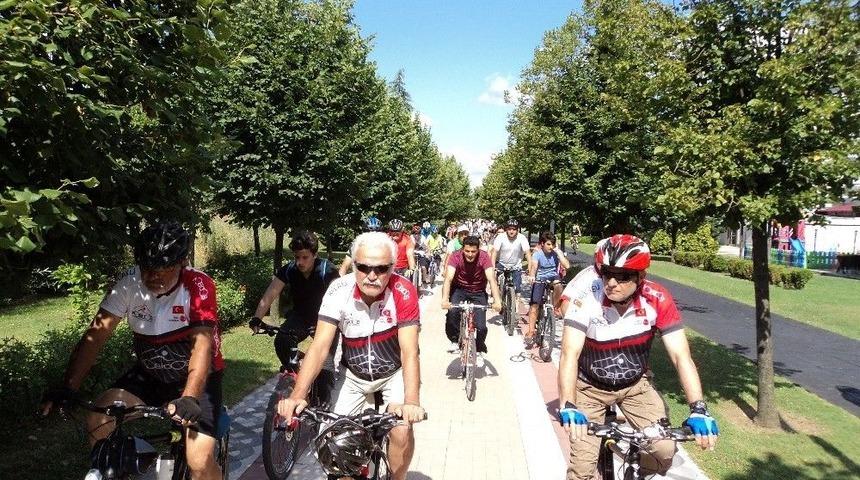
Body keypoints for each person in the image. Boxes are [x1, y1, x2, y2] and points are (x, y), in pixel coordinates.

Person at [41, 221, 225, 480]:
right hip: (149, 374)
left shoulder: (199, 285)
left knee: (199, 461)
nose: (153, 277)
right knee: (98, 417)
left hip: (197, 378)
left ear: (182, 263)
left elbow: (203, 345)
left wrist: (191, 396)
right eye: (147, 269)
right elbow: (96, 335)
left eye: (163, 269)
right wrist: (69, 386)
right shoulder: (128, 283)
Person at [557, 235, 719, 480]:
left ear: (640, 277)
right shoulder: (586, 298)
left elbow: (680, 356)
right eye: (606, 273)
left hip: (635, 387)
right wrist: (568, 404)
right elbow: (570, 354)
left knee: (664, 451)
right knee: (581, 471)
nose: (611, 282)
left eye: (622, 276)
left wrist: (698, 407)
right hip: (589, 389)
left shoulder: (658, 298)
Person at [276, 232, 426, 480]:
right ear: (353, 264)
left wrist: (411, 401)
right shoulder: (338, 289)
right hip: (352, 375)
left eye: (381, 268)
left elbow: (410, 352)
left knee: (400, 430)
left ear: (392, 267)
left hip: (393, 374)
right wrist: (297, 396)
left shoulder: (404, 290)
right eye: (364, 267)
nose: (372, 275)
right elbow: (320, 345)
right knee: (335, 441)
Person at [249, 230, 339, 394]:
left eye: (305, 257)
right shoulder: (290, 270)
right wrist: (257, 318)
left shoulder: (327, 270)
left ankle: (322, 399)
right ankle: (299, 374)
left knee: (325, 365)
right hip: (301, 317)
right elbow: (270, 294)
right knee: (282, 340)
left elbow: (341, 299)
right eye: (297, 257)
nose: (300, 262)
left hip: (326, 319)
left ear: (315, 255)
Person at [441, 235, 502, 364]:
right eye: (467, 251)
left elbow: (491, 279)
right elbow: (448, 279)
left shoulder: (484, 257)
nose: (470, 254)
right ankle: (455, 339)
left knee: (481, 327)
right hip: (459, 289)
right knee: (453, 314)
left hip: (478, 292)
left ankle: (479, 349)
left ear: (478, 250)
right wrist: (445, 299)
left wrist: (497, 301)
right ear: (462, 249)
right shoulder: (455, 256)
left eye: (473, 252)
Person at [524, 231, 570, 347]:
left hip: (553, 276)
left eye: (553, 244)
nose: (551, 247)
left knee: (559, 285)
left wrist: (559, 254)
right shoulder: (537, 254)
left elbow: (567, 266)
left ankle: (555, 307)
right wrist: (532, 276)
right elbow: (534, 267)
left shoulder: (555, 253)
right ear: (542, 244)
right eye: (548, 244)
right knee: (534, 305)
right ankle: (530, 331)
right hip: (540, 278)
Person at [491, 218, 532, 297]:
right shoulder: (500, 237)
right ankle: (498, 299)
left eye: (514, 229)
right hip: (501, 264)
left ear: (517, 230)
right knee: (498, 286)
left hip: (516, 266)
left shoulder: (522, 238)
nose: (511, 231)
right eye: (509, 229)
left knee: (517, 290)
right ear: (506, 229)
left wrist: (529, 267)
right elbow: (494, 252)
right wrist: (493, 267)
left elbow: (528, 253)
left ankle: (514, 306)